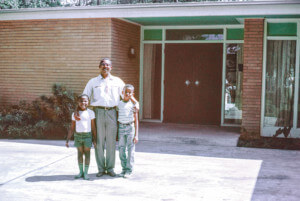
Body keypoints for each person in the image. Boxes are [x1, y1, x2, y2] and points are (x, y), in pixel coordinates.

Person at [82, 58, 125, 177]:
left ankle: (110, 168)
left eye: (107, 65)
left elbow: (126, 95)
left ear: (111, 67)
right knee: (99, 141)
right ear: (99, 66)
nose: (105, 66)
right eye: (103, 64)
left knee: (111, 142)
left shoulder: (117, 81)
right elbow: (85, 96)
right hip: (98, 113)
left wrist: (134, 105)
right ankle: (101, 168)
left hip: (112, 112)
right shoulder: (93, 82)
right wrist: (81, 111)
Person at [66, 94, 97, 180]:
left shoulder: (91, 113)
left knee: (87, 154)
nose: (83, 102)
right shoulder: (75, 114)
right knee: (79, 154)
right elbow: (72, 128)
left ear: (88, 102)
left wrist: (95, 140)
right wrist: (67, 140)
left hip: (87, 136)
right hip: (78, 136)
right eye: (81, 101)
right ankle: (80, 172)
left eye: (85, 101)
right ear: (78, 102)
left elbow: (93, 128)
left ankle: (86, 173)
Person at [117, 84, 139, 178]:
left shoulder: (134, 105)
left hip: (130, 128)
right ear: (122, 92)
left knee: (130, 150)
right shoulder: (119, 104)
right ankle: (124, 169)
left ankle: (129, 170)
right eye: (126, 92)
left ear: (132, 94)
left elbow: (136, 120)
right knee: (121, 149)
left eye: (130, 92)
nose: (127, 94)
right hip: (121, 128)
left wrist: (136, 135)